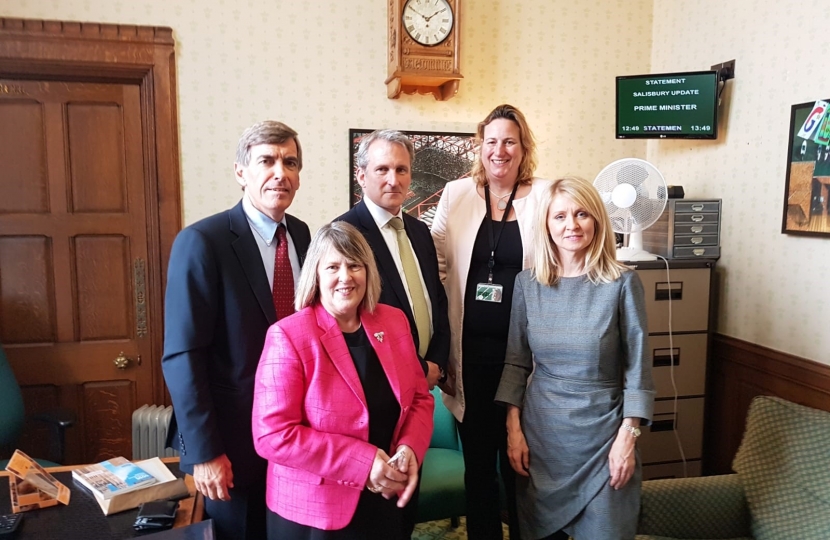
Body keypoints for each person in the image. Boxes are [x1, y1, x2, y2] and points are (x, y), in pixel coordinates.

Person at [162, 121, 311, 540]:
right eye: (266, 160)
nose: (280, 172)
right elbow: (182, 356)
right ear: (241, 171)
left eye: (290, 162)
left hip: (295, 440)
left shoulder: (301, 234)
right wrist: (206, 452)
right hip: (232, 445)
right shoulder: (202, 241)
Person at [494, 176, 655, 540]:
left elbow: (638, 369)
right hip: (542, 442)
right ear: (546, 225)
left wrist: (627, 439)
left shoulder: (623, 284)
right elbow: (516, 363)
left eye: (582, 214)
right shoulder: (527, 284)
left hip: (604, 442)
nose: (572, 225)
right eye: (560, 216)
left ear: (597, 219)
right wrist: (513, 430)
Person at [252, 221, 434, 540]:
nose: (345, 277)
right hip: (316, 514)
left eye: (354, 265)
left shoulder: (393, 321)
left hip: (387, 497)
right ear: (316, 275)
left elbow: (420, 398)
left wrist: (409, 449)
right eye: (333, 266)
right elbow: (273, 435)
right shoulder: (289, 336)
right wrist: (362, 464)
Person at [431, 104, 549, 540]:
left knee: (523, 466)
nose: (500, 150)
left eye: (510, 142)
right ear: (480, 148)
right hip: (471, 360)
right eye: (491, 141)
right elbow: (438, 270)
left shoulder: (547, 196)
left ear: (524, 148)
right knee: (479, 467)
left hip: (528, 363)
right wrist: (443, 354)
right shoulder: (456, 194)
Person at [336, 129, 451, 536]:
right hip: (377, 392)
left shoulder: (419, 231)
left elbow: (436, 300)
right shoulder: (345, 234)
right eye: (382, 168)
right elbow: (349, 320)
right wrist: (417, 367)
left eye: (401, 169)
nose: (393, 179)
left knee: (407, 498)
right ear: (361, 174)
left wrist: (436, 358)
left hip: (422, 385)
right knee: (377, 508)